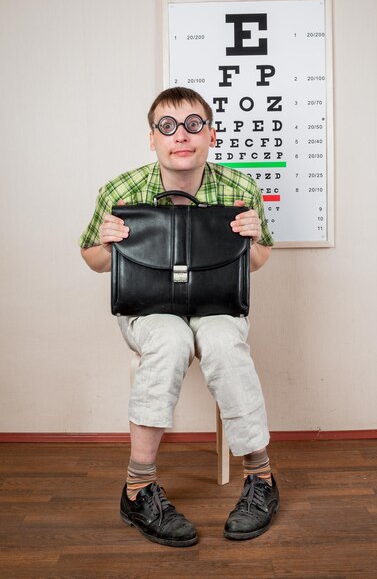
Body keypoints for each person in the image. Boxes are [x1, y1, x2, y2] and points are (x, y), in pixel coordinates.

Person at [79, 86, 279, 547]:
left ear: (210, 133)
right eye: (167, 127)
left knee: (225, 343)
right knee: (169, 340)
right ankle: (138, 487)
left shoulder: (241, 187)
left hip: (217, 302)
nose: (181, 135)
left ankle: (262, 479)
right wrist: (107, 245)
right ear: (153, 139)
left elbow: (260, 259)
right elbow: (91, 258)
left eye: (193, 125)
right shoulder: (119, 189)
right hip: (148, 307)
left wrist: (253, 241)